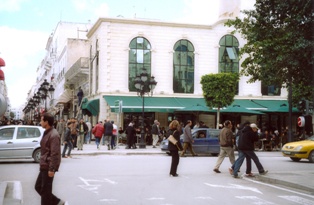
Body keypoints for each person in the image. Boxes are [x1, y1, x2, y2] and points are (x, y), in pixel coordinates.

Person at [35, 112, 66, 205]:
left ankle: (57, 202)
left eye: (41, 120)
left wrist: (52, 168)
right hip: (44, 164)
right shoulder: (47, 132)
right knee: (39, 187)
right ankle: (57, 202)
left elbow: (55, 153)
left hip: (48, 166)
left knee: (45, 191)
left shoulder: (54, 135)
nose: (40, 122)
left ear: (46, 122)